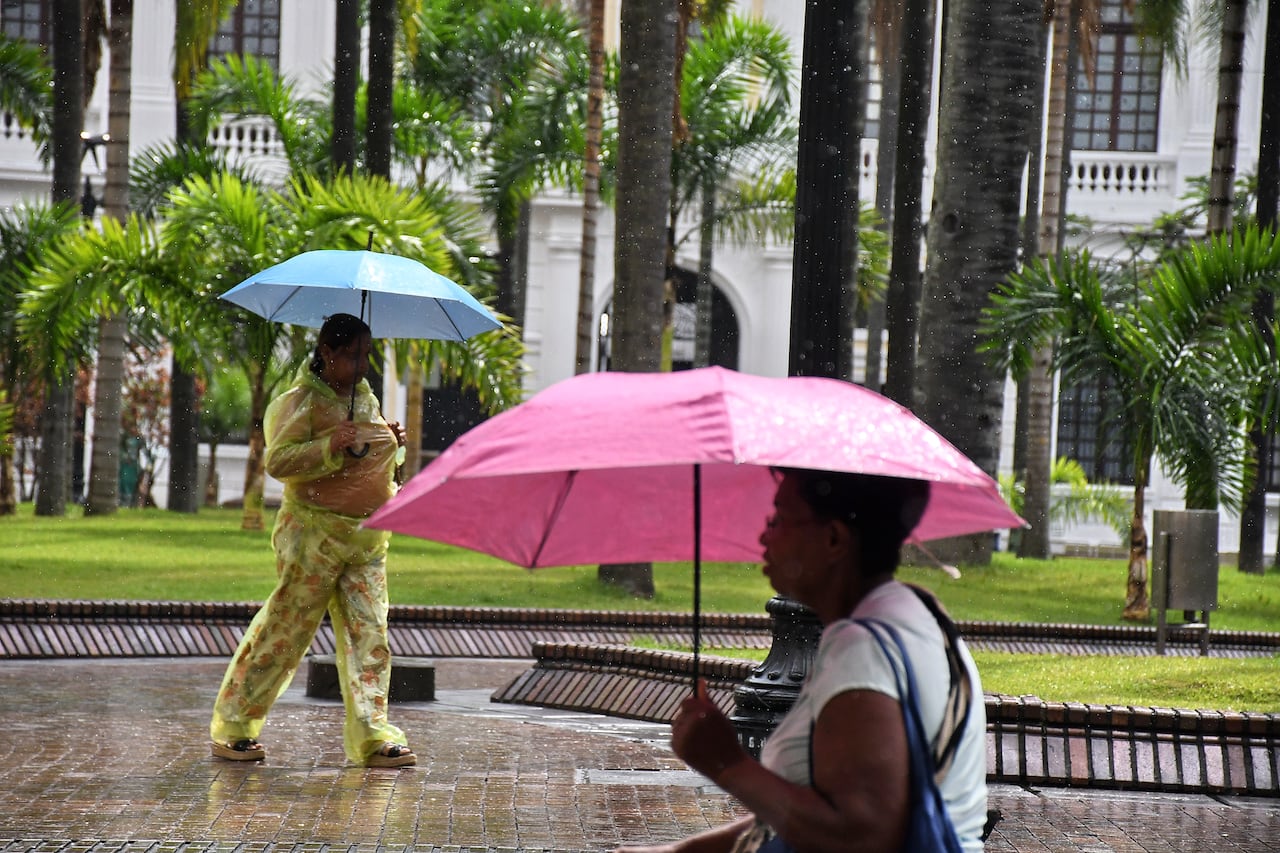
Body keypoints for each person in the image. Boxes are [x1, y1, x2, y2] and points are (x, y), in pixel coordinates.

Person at [620, 468, 988, 852]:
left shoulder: (862, 650)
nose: (764, 536)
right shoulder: (911, 614)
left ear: (833, 539)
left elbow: (857, 835)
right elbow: (800, 814)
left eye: (778, 519)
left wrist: (727, 764)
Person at [209, 312, 415, 768]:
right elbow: (279, 462)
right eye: (353, 356)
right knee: (286, 630)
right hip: (312, 538)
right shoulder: (298, 402)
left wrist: (389, 439)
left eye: (367, 356)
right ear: (326, 352)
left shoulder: (363, 397)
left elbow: (371, 460)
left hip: (365, 541)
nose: (362, 366)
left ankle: (374, 736)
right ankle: (236, 725)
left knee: (371, 635)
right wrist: (328, 445)